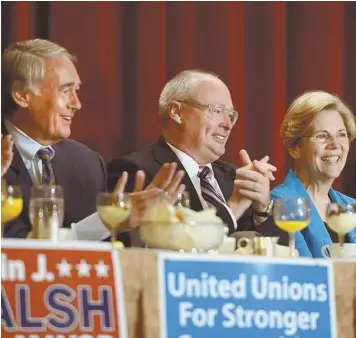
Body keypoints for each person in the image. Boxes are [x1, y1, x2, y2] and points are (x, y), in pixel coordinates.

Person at [2, 39, 184, 239]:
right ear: (22, 95)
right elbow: (13, 242)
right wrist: (103, 222)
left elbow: (108, 247)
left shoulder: (87, 164)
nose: (77, 104)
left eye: (76, 91)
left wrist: (140, 221)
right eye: (65, 90)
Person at [107, 69, 286, 246]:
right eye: (217, 111)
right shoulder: (135, 171)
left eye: (231, 115)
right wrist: (234, 206)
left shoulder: (235, 178)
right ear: (176, 112)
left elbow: (283, 253)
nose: (228, 124)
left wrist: (262, 209)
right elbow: (161, 247)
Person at [271, 90, 356, 258]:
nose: (335, 144)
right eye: (322, 136)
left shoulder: (351, 205)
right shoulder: (281, 204)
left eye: (341, 135)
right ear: (295, 148)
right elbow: (307, 275)